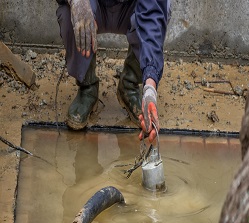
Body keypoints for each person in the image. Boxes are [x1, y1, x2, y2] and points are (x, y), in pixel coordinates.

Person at [56, 0, 171, 142]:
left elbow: (152, 15)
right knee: (69, 13)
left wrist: (150, 88)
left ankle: (129, 85)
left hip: (131, 8)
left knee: (163, 11)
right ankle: (87, 88)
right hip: (92, 4)